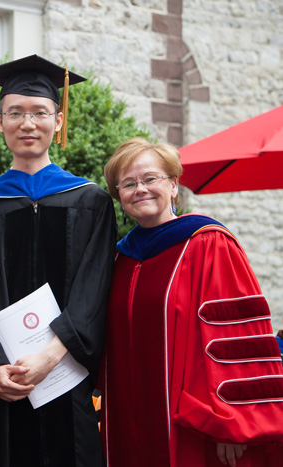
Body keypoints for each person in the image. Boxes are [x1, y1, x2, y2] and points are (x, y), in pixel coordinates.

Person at [0, 55, 116, 466]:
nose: (28, 123)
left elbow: (94, 290)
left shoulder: (90, 200)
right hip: (2, 385)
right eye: (16, 113)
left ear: (57, 121)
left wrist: (50, 356)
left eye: (40, 113)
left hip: (65, 377)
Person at [101, 137, 283, 467]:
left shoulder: (208, 243)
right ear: (120, 198)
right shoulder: (119, 259)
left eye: (150, 179)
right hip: (126, 419)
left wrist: (231, 421)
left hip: (192, 423)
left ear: (173, 185)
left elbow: (236, 338)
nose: (140, 189)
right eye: (128, 184)